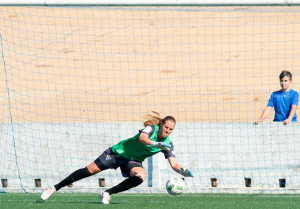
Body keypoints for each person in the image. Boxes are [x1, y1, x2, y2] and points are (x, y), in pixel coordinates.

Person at [41, 111, 193, 204]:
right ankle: (54, 188)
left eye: (171, 129)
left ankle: (107, 193)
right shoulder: (151, 128)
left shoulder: (168, 144)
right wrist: (156, 144)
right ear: (161, 125)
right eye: (166, 127)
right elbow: (142, 138)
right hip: (117, 153)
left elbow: (173, 163)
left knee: (140, 176)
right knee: (89, 171)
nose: (168, 131)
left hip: (133, 161)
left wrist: (182, 171)